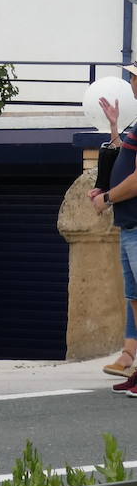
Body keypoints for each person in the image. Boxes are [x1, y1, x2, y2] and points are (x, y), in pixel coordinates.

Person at [96, 87, 137, 381]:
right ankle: (130, 361)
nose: (132, 81)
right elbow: (126, 159)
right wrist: (114, 128)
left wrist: (107, 198)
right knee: (134, 296)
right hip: (129, 225)